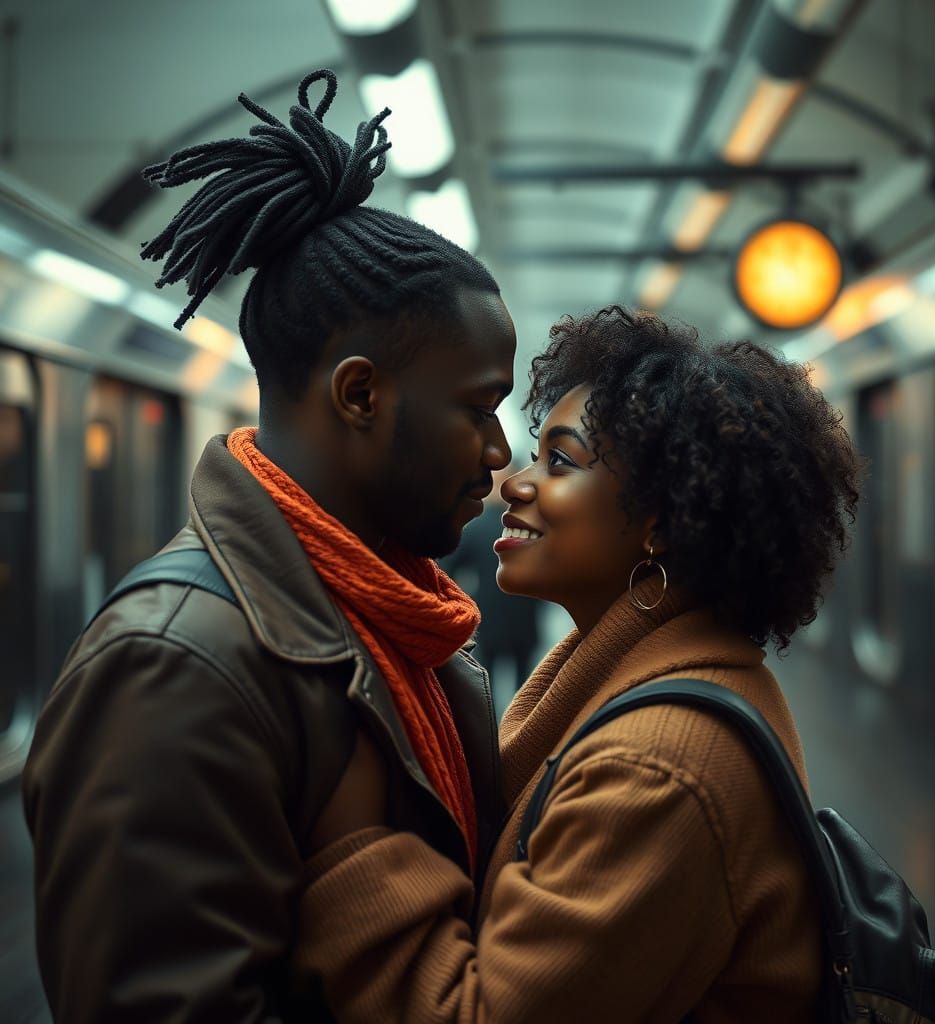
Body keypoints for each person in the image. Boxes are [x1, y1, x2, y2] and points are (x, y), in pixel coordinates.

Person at [21, 69, 516, 1022]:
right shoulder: (172, 668)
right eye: (478, 411)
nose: (499, 455)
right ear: (360, 395)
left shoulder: (386, 619)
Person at [294, 306, 864, 1022]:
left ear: (660, 520)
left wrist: (352, 836)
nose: (515, 484)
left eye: (559, 461)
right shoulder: (651, 685)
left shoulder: (660, 769)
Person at [441, 462, 540, 707]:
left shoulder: (479, 527)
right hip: (510, 617)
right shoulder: (527, 524)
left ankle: (502, 735)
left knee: (498, 684)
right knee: (515, 684)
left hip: (506, 618)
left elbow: (448, 568)